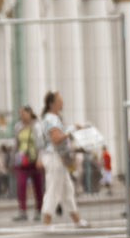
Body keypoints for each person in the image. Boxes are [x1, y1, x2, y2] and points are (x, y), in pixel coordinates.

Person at [36, 92, 85, 230]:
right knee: (53, 188)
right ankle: (47, 221)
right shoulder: (51, 119)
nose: (63, 103)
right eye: (60, 100)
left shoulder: (52, 118)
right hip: (54, 157)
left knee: (67, 189)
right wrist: (72, 131)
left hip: (57, 157)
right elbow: (56, 138)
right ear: (52, 104)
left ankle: (77, 220)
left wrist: (71, 128)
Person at [12, 105, 45, 223]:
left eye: (23, 113)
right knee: (21, 186)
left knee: (38, 186)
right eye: (20, 114)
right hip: (21, 161)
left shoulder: (37, 125)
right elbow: (16, 143)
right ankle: (22, 211)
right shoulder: (18, 126)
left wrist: (40, 159)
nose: (21, 116)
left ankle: (39, 211)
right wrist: (14, 158)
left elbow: (40, 144)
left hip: (35, 160)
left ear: (30, 113)